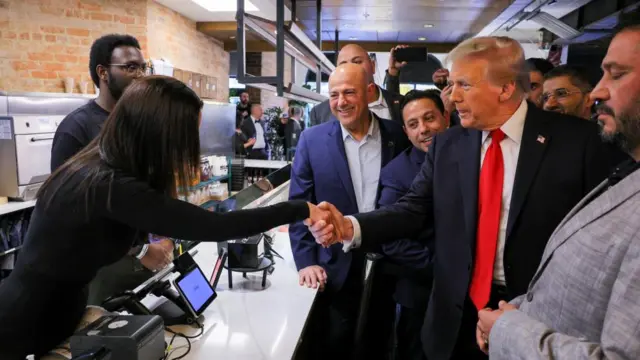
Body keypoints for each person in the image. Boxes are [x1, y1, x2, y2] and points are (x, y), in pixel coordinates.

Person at [308, 36, 616, 360]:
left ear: (506, 87)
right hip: (454, 319)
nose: (452, 98)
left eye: (464, 85)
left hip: (534, 323)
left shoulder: (578, 143)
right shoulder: (449, 145)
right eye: (452, 84)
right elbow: (412, 210)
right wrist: (350, 226)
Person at [0, 76, 330, 360]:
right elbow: (216, 226)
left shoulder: (107, 169)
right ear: (160, 133)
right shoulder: (110, 184)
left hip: (60, 314)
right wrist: (300, 209)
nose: (191, 145)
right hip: (27, 324)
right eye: (188, 134)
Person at [478, 10, 640, 359]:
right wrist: (518, 311)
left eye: (618, 74)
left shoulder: (582, 144)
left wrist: (508, 329)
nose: (597, 91)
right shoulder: (627, 172)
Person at [289, 64, 409, 360]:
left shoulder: (398, 135)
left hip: (389, 262)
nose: (341, 102)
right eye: (334, 95)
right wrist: (305, 261)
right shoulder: (312, 140)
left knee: (382, 343)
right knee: (337, 344)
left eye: (349, 92)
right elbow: (298, 205)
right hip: (335, 266)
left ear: (370, 92)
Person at [50, 33, 173, 305]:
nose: (140, 75)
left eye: (143, 67)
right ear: (103, 73)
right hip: (99, 272)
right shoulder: (77, 130)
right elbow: (69, 213)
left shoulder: (141, 126)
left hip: (145, 264)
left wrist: (162, 236)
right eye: (130, 67)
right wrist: (140, 251)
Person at [377, 89, 449, 360]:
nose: (424, 129)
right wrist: (442, 269)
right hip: (420, 293)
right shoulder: (397, 174)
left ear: (445, 118)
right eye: (413, 124)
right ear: (406, 132)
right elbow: (390, 238)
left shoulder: (475, 157)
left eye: (430, 118)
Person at [309, 44, 403, 126]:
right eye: (343, 64)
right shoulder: (320, 113)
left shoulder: (401, 104)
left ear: (373, 66)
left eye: (357, 62)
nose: (351, 68)